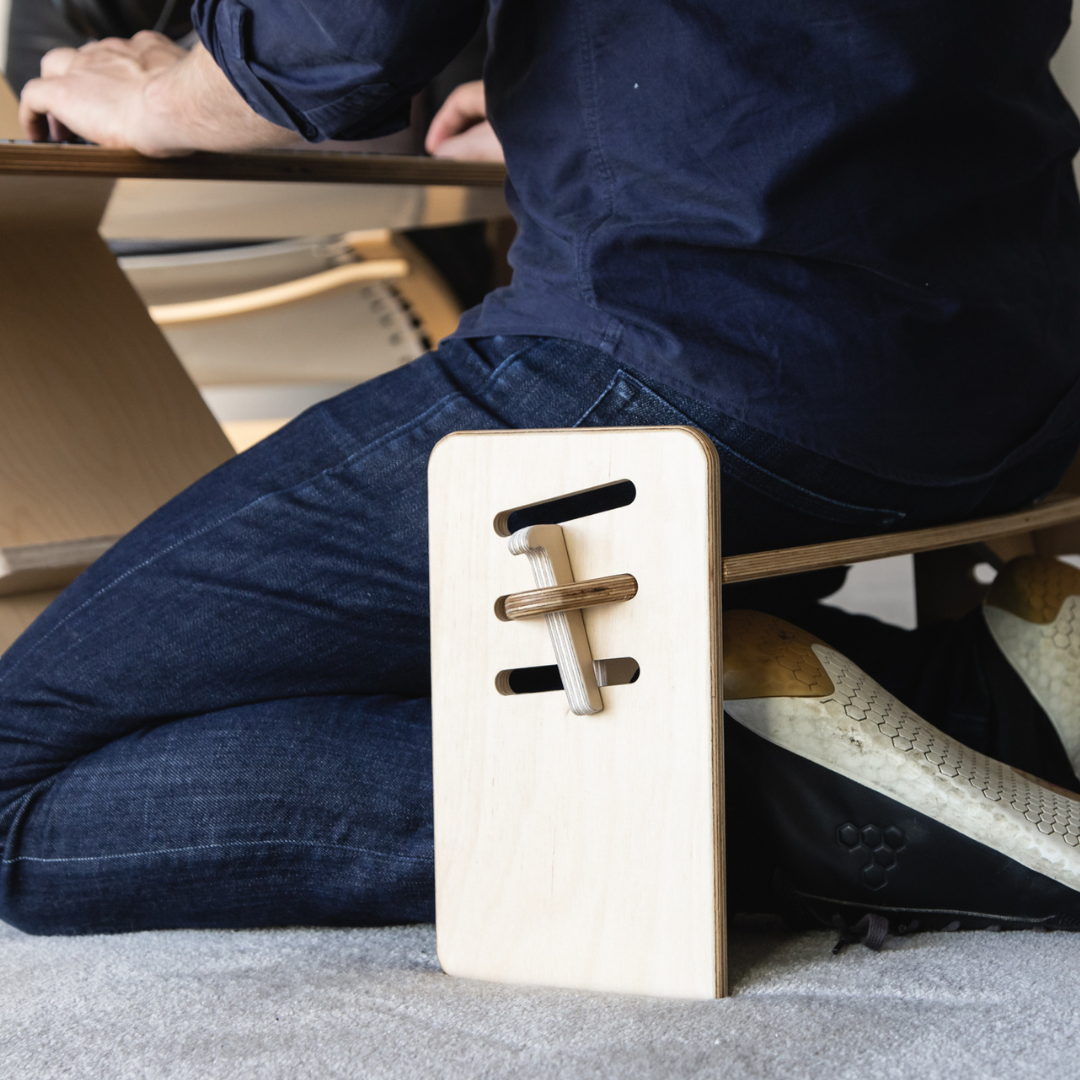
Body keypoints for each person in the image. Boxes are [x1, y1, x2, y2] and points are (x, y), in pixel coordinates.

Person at [4, 1, 1080, 945]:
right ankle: (975, 697)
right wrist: (570, 93)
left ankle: (745, 792)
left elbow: (341, 32)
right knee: (410, 652)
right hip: (999, 372)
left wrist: (173, 88)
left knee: (18, 770)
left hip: (698, 356)